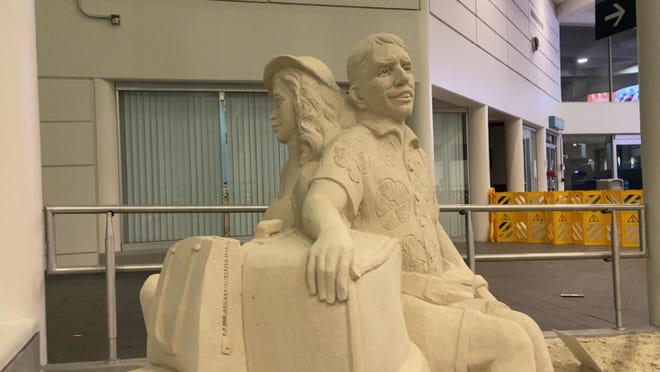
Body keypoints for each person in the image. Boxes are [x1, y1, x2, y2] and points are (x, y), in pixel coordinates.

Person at [301, 33, 553, 371]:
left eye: (406, 67)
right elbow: (320, 200)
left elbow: (431, 227)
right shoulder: (353, 146)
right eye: (385, 71)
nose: (404, 78)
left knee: (529, 330)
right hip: (395, 297)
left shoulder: (415, 150)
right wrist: (331, 231)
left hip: (440, 287)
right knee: (510, 343)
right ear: (358, 95)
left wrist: (475, 283)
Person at [261, 55, 354, 229]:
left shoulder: (319, 175)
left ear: (302, 102)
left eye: (279, 101)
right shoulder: (290, 170)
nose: (272, 115)